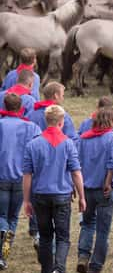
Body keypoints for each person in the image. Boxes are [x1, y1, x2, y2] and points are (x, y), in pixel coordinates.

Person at [23, 104, 86, 273]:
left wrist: (26, 200)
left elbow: (27, 175)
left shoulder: (33, 144)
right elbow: (76, 172)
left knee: (45, 237)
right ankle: (59, 270)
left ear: (45, 121)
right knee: (63, 237)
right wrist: (82, 196)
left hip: (40, 196)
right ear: (62, 122)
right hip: (62, 195)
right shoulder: (68, 144)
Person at [27, 82, 79, 250]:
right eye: (62, 94)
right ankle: (52, 246)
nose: (63, 97)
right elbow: (73, 141)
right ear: (55, 96)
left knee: (37, 197)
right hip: (58, 168)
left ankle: (37, 233)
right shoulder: (63, 116)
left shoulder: (32, 114)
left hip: (36, 163)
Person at [77, 107, 113, 273]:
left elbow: (77, 163)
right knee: (103, 230)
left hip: (86, 189)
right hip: (104, 189)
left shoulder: (83, 139)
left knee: (87, 223)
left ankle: (83, 255)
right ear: (111, 121)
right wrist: (108, 181)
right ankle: (96, 267)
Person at [0, 94, 41, 270]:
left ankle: (2, 236)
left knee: (1, 215)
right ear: (22, 107)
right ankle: (4, 252)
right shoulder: (32, 128)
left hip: (1, 176)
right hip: (21, 178)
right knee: (13, 217)